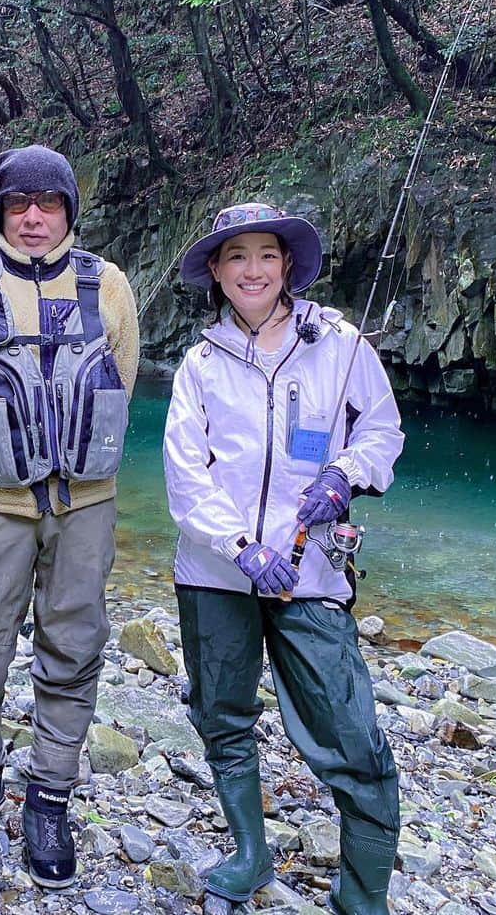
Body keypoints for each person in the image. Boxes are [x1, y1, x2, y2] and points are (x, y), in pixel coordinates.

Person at [163, 202, 403, 913]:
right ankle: (249, 853)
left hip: (314, 574)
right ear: (216, 271)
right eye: (236, 257)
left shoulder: (342, 344)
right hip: (214, 574)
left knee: (352, 734)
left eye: (266, 254)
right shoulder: (199, 364)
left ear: (288, 264)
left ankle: (364, 896)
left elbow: (382, 434)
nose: (253, 270)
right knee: (222, 714)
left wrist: (346, 475)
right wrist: (242, 549)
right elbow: (185, 476)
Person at [0, 145, 139, 888]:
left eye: (48, 202)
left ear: (70, 209)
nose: (34, 216)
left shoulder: (108, 286)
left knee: (74, 647)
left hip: (87, 508)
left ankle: (49, 796)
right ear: (0, 212)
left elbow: (122, 380)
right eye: (19, 204)